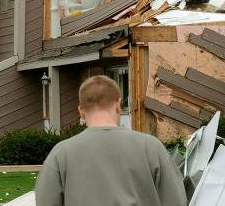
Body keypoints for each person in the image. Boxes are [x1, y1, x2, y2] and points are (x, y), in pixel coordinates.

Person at [35, 75, 187, 206]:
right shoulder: (151, 147)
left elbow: (46, 201)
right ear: (119, 105)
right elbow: (176, 200)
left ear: (81, 111)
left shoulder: (61, 154)